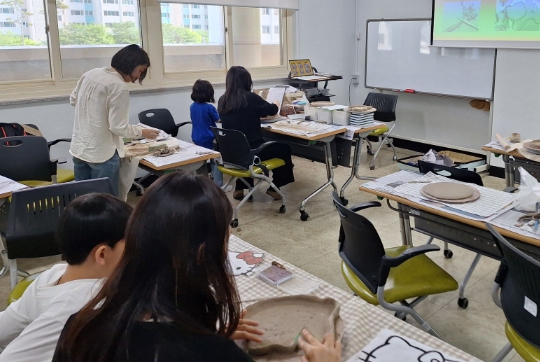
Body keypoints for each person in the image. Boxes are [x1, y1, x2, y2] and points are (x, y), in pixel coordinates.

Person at [53, 173, 341, 362]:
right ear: (204, 253)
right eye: (226, 235)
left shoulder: (80, 328)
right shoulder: (216, 355)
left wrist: (206, 336)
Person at [0, 193, 131, 362]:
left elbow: (6, 325)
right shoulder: (85, 304)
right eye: (130, 243)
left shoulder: (53, 275)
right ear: (102, 254)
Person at [70, 45, 158, 197]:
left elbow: (73, 100)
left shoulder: (91, 74)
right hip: (102, 154)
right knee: (107, 203)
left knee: (83, 201)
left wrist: (95, 114)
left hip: (79, 149)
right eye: (140, 70)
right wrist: (142, 132)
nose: (138, 76)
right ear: (131, 65)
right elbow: (118, 127)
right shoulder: (118, 87)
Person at [217, 66, 294, 201]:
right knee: (284, 149)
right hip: (252, 153)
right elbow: (271, 110)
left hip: (232, 154)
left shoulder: (223, 100)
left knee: (243, 145)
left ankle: (239, 188)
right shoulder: (250, 98)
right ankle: (275, 187)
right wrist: (276, 103)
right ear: (247, 81)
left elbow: (241, 116)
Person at [190, 79, 223, 187]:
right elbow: (218, 120)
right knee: (216, 160)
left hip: (196, 138)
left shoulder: (192, 106)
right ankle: (218, 185)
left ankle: (203, 185)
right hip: (210, 138)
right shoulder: (209, 107)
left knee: (201, 163)